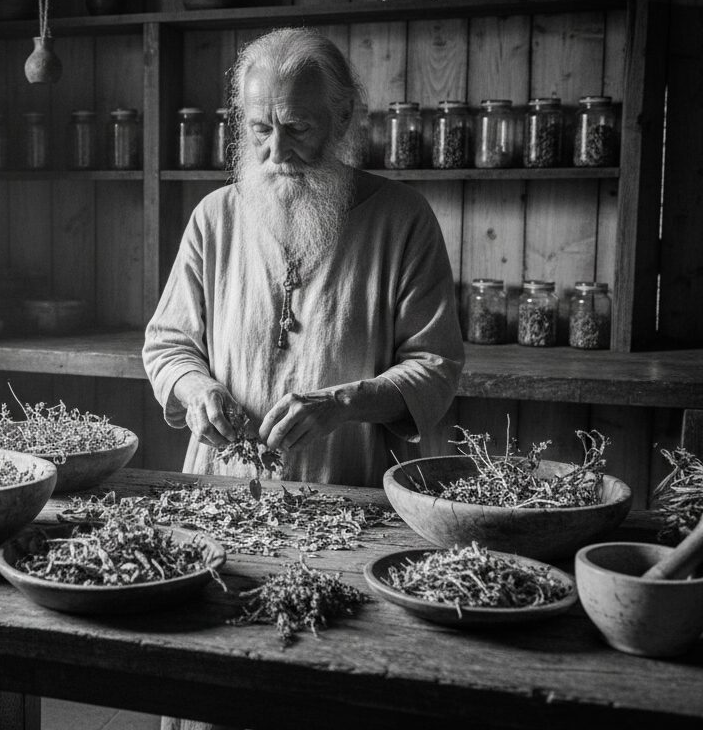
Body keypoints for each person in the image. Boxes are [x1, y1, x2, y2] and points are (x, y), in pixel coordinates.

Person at [143, 27, 464, 488]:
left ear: (343, 115)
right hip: (220, 489)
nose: (276, 152)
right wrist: (198, 391)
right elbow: (168, 345)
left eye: (296, 128)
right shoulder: (214, 217)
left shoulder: (403, 219)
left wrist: (342, 404)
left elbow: (435, 365)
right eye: (260, 129)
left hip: (348, 491)